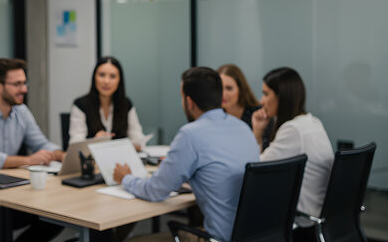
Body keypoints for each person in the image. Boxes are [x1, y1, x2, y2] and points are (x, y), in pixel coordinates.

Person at [113, 67, 259, 241]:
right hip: (253, 234)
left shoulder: (191, 134)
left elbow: (155, 191)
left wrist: (125, 178)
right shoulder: (243, 128)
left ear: (189, 102)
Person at [0, 57, 64, 241]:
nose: (24, 89)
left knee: (57, 216)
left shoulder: (21, 111)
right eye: (17, 84)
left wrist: (62, 155)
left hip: (15, 193)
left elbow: (41, 143)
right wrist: (29, 160)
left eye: (24, 83)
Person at [252, 67, 334, 219]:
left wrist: (257, 133)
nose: (261, 101)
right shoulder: (312, 122)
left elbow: (256, 171)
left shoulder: (293, 130)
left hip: (302, 221)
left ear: (281, 97)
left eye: (266, 94)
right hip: (319, 215)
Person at [69, 56, 146, 150]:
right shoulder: (80, 105)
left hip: (120, 161)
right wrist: (94, 141)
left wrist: (130, 145)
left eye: (112, 76)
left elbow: (138, 139)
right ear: (94, 77)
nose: (106, 81)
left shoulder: (126, 104)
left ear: (119, 80)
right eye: (101, 75)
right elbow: (74, 145)